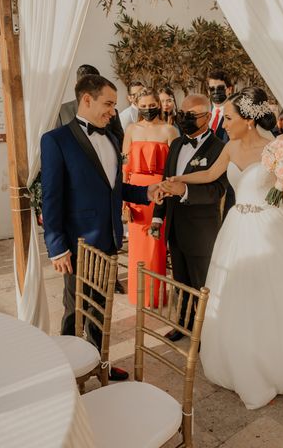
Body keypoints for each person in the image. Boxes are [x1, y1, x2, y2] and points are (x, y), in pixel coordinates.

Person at [166, 87, 283, 409]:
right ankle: (239, 357)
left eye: (227, 118)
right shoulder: (230, 146)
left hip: (269, 228)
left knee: (274, 295)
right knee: (236, 294)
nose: (222, 124)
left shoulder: (276, 149)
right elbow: (210, 173)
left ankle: (278, 362)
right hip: (236, 227)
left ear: (248, 121)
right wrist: (176, 179)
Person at [41, 74, 163, 381]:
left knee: (100, 309)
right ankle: (67, 371)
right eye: (108, 104)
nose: (113, 111)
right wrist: (57, 247)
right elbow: (51, 198)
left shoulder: (111, 137)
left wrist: (146, 192)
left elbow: (115, 188)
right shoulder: (56, 141)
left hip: (109, 238)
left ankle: (99, 364)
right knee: (75, 310)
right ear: (86, 100)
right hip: (77, 243)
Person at [150, 94, 229, 342]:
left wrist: (185, 190)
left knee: (202, 285)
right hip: (175, 226)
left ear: (207, 117)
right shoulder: (175, 144)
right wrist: (157, 217)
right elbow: (166, 179)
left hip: (201, 230)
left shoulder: (219, 148)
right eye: (183, 114)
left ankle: (207, 333)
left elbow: (217, 190)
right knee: (180, 282)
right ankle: (182, 325)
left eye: (192, 115)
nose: (185, 119)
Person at [122, 88, 178, 306]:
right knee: (137, 246)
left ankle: (155, 296)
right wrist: (123, 201)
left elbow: (174, 167)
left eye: (151, 105)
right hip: (135, 192)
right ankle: (138, 296)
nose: (147, 109)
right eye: (143, 106)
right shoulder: (131, 129)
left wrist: (167, 189)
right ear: (137, 105)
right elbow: (125, 167)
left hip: (160, 192)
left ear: (159, 104)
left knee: (156, 245)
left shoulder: (169, 130)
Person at [55, 64, 124, 146]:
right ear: (76, 86)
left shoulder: (112, 113)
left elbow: (120, 142)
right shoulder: (61, 112)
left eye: (94, 86)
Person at [207, 70, 236, 217]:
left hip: (229, 176)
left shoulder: (236, 114)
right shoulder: (206, 113)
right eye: (212, 89)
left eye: (220, 88)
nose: (216, 92)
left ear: (229, 89)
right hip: (208, 178)